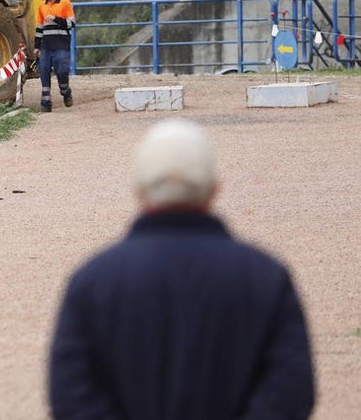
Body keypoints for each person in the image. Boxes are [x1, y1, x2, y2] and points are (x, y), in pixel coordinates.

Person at [48, 119, 315, 420]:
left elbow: (72, 397)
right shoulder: (266, 278)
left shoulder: (92, 282)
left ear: (139, 190)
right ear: (214, 189)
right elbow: (289, 391)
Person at [33, 0, 75, 112]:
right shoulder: (41, 5)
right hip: (46, 46)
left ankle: (65, 91)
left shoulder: (65, 3)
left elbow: (71, 24)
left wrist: (56, 19)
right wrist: (37, 46)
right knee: (44, 71)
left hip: (61, 45)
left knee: (62, 71)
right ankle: (46, 102)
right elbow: (39, 27)